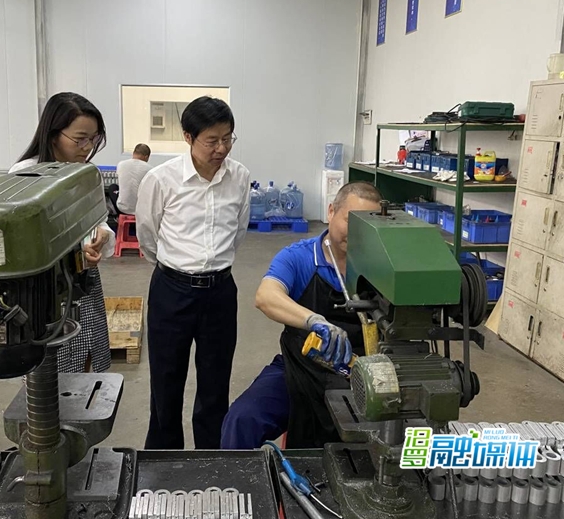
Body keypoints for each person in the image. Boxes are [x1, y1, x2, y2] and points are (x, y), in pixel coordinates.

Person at [220, 182, 383, 450]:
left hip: (364, 375)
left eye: (367, 225)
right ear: (331, 211)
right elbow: (266, 296)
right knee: (242, 420)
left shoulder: (384, 265)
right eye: (350, 221)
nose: (357, 233)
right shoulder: (300, 257)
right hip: (299, 369)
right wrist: (314, 320)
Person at [135, 96, 250, 450]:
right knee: (166, 381)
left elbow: (238, 230)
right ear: (188, 137)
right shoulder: (161, 179)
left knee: (216, 381)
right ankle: (163, 457)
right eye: (212, 140)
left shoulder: (239, 177)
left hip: (220, 292)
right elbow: (147, 235)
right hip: (172, 291)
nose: (221, 149)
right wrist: (177, 268)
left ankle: (210, 456)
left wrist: (213, 265)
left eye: (227, 138)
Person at [10, 92, 115, 373]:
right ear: (54, 134)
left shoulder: (86, 173)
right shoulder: (26, 175)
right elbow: (21, 242)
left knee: (88, 353)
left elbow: (99, 221)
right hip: (43, 288)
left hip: (83, 280)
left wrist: (101, 236)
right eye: (80, 139)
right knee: (48, 366)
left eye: (93, 139)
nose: (87, 147)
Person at [112, 143, 152, 215]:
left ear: (133, 153)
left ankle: (117, 216)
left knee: (113, 187)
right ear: (146, 157)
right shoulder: (149, 169)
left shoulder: (121, 164)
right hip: (141, 211)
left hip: (122, 209)